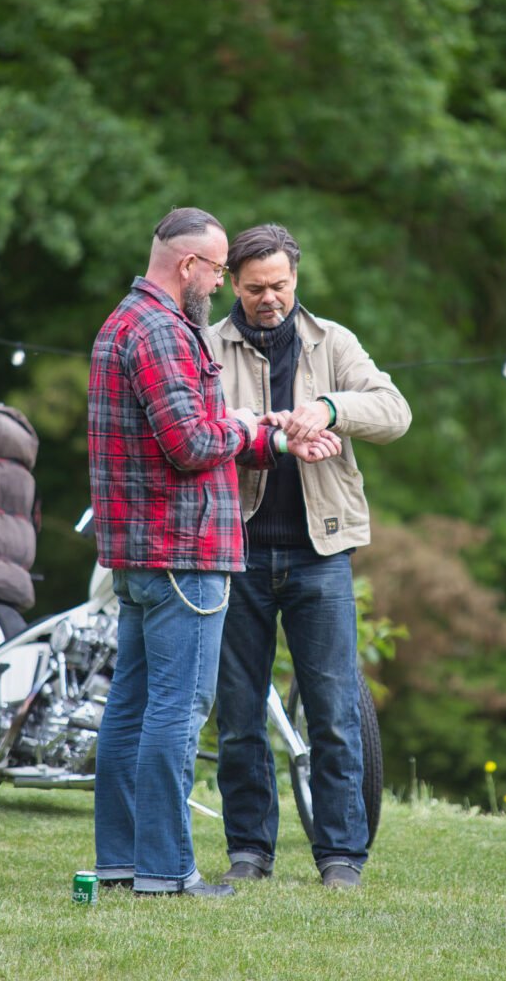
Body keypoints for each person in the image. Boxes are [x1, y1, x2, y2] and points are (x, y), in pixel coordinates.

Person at [88, 208, 341, 898]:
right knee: (177, 710)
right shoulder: (164, 331)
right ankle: (167, 871)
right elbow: (192, 443)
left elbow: (189, 430)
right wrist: (248, 428)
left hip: (138, 555)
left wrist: (266, 435)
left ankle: (120, 862)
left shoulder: (122, 322)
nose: (222, 282)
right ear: (189, 266)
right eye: (219, 269)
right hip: (184, 553)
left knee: (130, 708)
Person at [205, 223, 412, 889]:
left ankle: (340, 857)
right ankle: (249, 852)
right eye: (255, 288)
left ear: (296, 278)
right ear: (233, 285)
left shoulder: (334, 342)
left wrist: (327, 408)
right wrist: (255, 431)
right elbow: (196, 434)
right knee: (239, 715)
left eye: (280, 285)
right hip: (235, 552)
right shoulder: (207, 346)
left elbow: (394, 412)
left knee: (334, 711)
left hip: (320, 554)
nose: (269, 298)